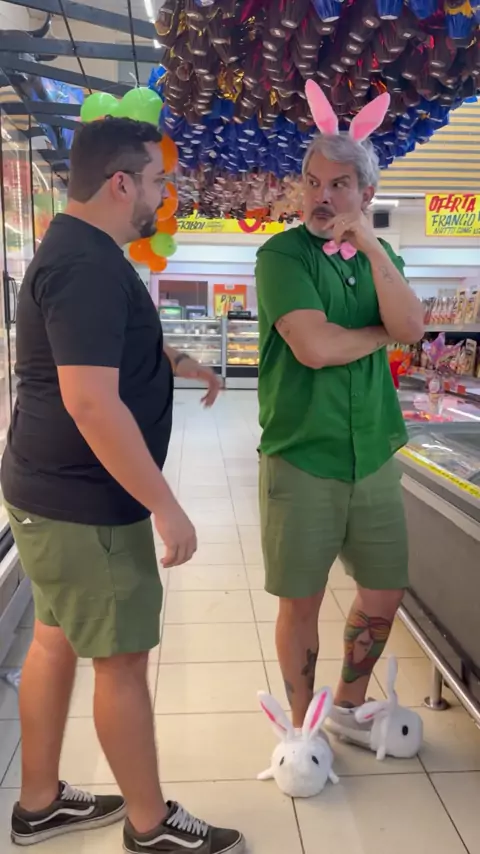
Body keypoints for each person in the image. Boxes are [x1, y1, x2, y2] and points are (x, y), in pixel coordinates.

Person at [1, 117, 244, 854]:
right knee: (123, 661)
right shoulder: (88, 266)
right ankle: (149, 824)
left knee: (54, 642)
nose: (162, 195)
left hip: (49, 494)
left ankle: (39, 803)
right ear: (120, 183)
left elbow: (100, 353)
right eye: (156, 181)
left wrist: (177, 362)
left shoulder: (81, 250)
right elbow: (90, 402)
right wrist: (165, 507)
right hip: (87, 504)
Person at [255, 129, 424, 739]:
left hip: (374, 450)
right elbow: (317, 347)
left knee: (384, 591)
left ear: (366, 193)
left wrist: (373, 249)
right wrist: (381, 335)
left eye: (339, 184)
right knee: (300, 598)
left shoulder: (384, 259)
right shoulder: (282, 257)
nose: (321, 196)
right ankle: (302, 730)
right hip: (303, 452)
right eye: (313, 182)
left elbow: (413, 325)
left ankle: (348, 707)